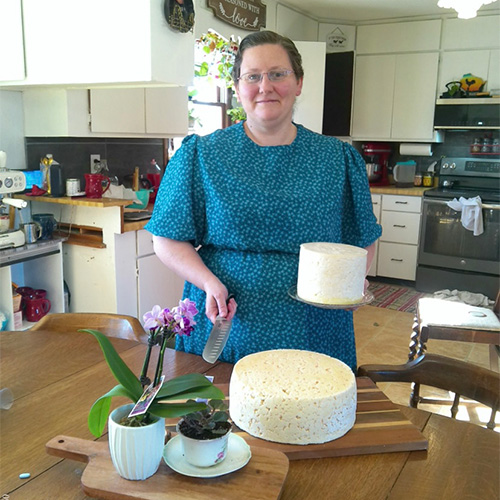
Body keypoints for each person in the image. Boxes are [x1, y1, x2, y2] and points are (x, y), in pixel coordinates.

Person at [145, 30, 381, 372]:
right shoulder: (201, 155)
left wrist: (350, 283)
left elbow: (362, 237)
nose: (264, 86)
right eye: (252, 76)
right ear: (238, 87)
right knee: (213, 418)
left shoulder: (338, 159)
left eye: (277, 74)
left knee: (310, 413)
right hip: (226, 317)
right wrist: (208, 283)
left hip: (314, 324)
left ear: (298, 82)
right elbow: (166, 238)